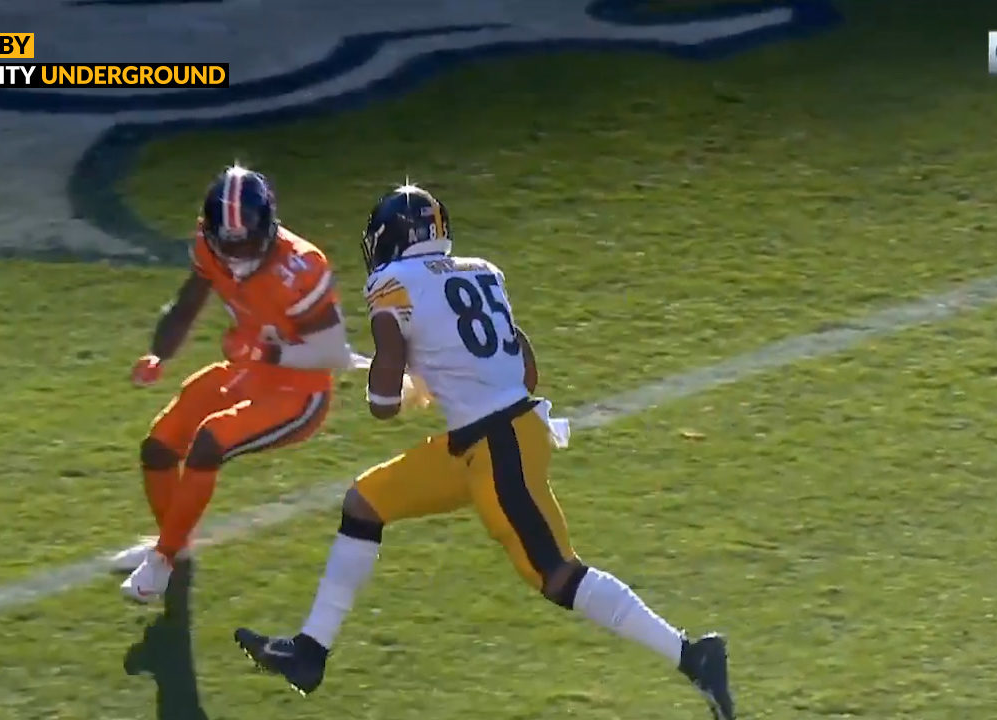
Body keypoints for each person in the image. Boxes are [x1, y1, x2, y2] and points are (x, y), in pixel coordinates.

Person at [232, 184, 735, 719]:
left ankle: (692, 655)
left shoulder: (392, 282)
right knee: (364, 502)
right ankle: (310, 651)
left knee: (556, 575)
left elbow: (382, 397)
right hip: (484, 438)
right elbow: (526, 369)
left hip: (498, 445)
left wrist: (395, 390)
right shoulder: (482, 272)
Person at [117, 164, 352, 603]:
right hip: (252, 374)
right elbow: (188, 302)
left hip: (300, 392)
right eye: (228, 242)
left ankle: (162, 559)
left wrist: (270, 353)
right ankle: (175, 545)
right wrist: (160, 354)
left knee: (210, 441)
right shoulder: (211, 248)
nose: (236, 252)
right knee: (160, 445)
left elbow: (333, 354)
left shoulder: (300, 267)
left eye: (245, 241)